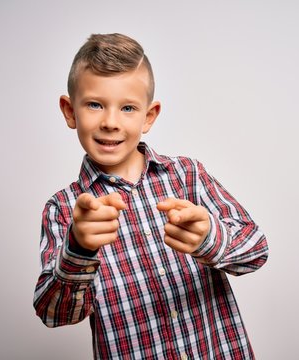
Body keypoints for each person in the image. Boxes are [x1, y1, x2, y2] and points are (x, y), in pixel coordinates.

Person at [33, 33, 269, 360]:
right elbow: (54, 314)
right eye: (94, 104)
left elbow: (256, 250)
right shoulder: (63, 210)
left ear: (149, 116)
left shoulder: (188, 175)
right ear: (69, 111)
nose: (111, 122)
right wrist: (78, 249)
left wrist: (211, 238)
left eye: (128, 107)